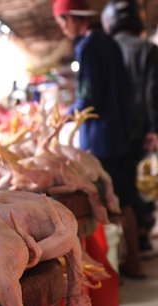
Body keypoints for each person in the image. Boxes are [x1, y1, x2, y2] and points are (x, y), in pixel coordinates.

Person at [52, 0, 146, 278]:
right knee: (124, 196)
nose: (62, 28)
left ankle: (120, 268)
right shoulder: (108, 41)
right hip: (121, 131)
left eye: (61, 22)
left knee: (110, 199)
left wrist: (66, 114)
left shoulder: (88, 46)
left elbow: (89, 96)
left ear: (71, 18)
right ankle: (134, 263)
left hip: (103, 137)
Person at [101, 0, 158, 252]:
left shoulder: (108, 48)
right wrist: (154, 128)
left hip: (116, 130)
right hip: (141, 126)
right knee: (142, 182)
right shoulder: (147, 49)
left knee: (125, 185)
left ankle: (136, 241)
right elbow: (152, 93)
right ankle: (143, 234)